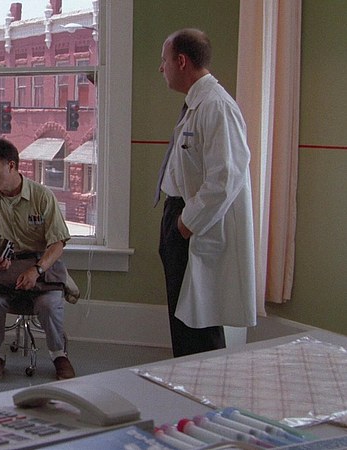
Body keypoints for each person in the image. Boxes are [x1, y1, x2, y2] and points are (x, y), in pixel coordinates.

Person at [156, 29, 256, 357]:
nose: (161, 68)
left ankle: (202, 385)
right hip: (178, 215)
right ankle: (186, 381)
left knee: (199, 324)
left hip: (192, 224)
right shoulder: (195, 105)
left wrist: (186, 224)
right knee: (185, 320)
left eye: (165, 60)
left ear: (182, 61)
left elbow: (225, 177)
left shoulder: (217, 106)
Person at [0, 138, 75, 381]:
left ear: (11, 165)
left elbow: (57, 244)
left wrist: (36, 271)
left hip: (41, 267)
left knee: (48, 305)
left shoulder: (42, 197)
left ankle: (59, 355)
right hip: (6, 269)